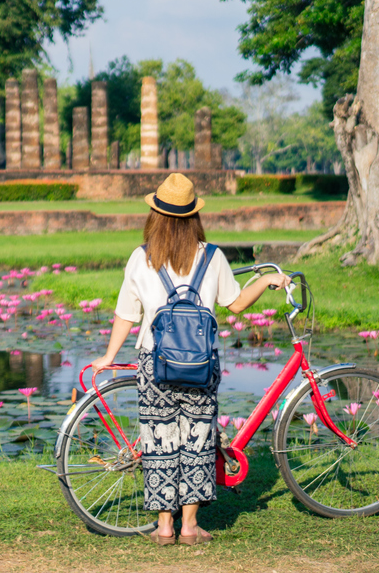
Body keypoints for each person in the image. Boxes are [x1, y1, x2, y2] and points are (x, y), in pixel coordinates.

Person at [88, 173, 288, 546]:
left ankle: (164, 527)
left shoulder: (141, 257)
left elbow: (126, 315)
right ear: (194, 216)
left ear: (156, 215)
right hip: (200, 364)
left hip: (154, 363)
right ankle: (190, 528)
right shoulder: (211, 256)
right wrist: (265, 281)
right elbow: (237, 303)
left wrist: (108, 356)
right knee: (197, 441)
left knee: (159, 441)